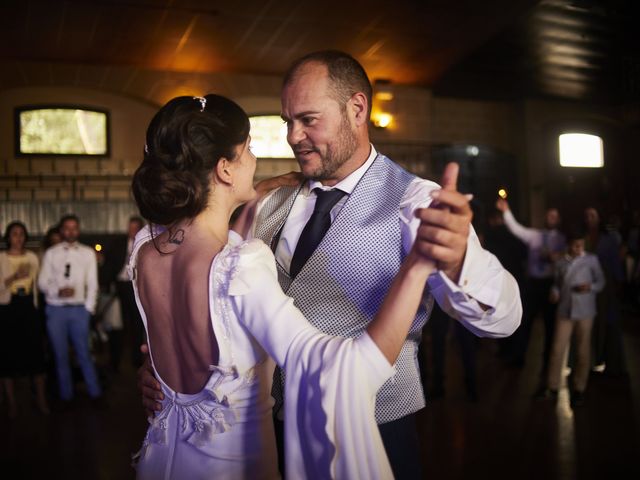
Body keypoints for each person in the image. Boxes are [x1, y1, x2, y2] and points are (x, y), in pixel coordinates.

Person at [140, 51, 522, 479]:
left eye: (308, 119)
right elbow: (213, 309)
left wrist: (460, 262)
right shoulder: (266, 199)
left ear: (357, 109)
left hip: (368, 434)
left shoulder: (416, 202)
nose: (293, 136)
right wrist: (169, 376)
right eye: (287, 121)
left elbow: (502, 321)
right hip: (262, 438)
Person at [130, 93, 440, 479]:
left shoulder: (146, 248)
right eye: (249, 150)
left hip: (161, 462)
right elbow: (338, 370)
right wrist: (416, 265)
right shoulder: (240, 264)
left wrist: (257, 189)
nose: (255, 160)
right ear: (225, 169)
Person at [496, 198, 566, 377]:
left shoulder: (562, 239)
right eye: (549, 215)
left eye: (554, 216)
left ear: (558, 219)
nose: (551, 218)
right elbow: (516, 229)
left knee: (550, 326)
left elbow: (566, 261)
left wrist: (556, 257)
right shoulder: (535, 235)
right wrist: (506, 211)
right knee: (524, 322)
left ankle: (548, 363)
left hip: (550, 285)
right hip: (533, 284)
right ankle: (519, 357)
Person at [38, 214, 103, 406]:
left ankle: (95, 393)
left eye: (74, 227)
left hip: (79, 310)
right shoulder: (52, 253)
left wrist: (88, 310)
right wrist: (57, 291)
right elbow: (41, 283)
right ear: (61, 230)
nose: (71, 231)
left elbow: (93, 283)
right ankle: (66, 396)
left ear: (78, 230)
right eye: (67, 228)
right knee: (60, 355)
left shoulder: (87, 253)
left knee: (84, 352)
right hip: (55, 310)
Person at [539, 229, 605, 408]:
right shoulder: (561, 262)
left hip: (585, 311)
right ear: (569, 244)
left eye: (581, 245)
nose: (578, 248)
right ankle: (552, 387)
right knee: (557, 349)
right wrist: (554, 292)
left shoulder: (591, 260)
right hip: (564, 310)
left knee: (583, 351)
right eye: (575, 245)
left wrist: (589, 287)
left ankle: (579, 389)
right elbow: (557, 284)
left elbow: (601, 282)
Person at [0, 221, 49, 417]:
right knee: (7, 355)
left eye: (21, 234)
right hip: (7, 308)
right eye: (14, 234)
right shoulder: (1, 258)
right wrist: (14, 276)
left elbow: (40, 282)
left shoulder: (32, 257)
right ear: (8, 237)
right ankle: (12, 404)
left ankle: (41, 400)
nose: (18, 237)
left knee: (35, 353)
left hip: (29, 306)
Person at [584, 207, 627, 376]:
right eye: (587, 216)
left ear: (599, 218)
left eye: (593, 215)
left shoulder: (608, 239)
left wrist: (619, 280)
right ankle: (593, 360)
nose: (590, 218)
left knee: (608, 320)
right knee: (590, 322)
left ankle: (611, 362)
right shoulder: (584, 239)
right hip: (587, 284)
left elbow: (615, 261)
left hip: (606, 283)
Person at [113, 216, 146, 368]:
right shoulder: (119, 243)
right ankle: (116, 359)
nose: (132, 231)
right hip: (120, 286)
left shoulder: (145, 244)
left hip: (136, 286)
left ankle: (137, 359)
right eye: (130, 227)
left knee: (137, 323)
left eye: (135, 228)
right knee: (118, 323)